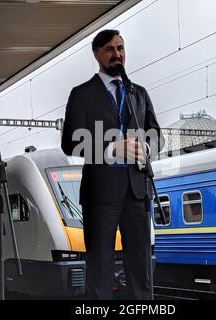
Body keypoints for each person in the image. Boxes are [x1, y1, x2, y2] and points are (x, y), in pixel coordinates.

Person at [61, 29, 164, 300]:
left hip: (137, 190)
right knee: (101, 267)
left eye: (120, 48)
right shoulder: (81, 94)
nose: (117, 54)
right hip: (100, 194)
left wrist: (147, 147)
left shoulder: (138, 93)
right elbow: (70, 142)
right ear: (97, 54)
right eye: (109, 49)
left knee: (141, 268)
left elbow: (156, 134)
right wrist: (110, 149)